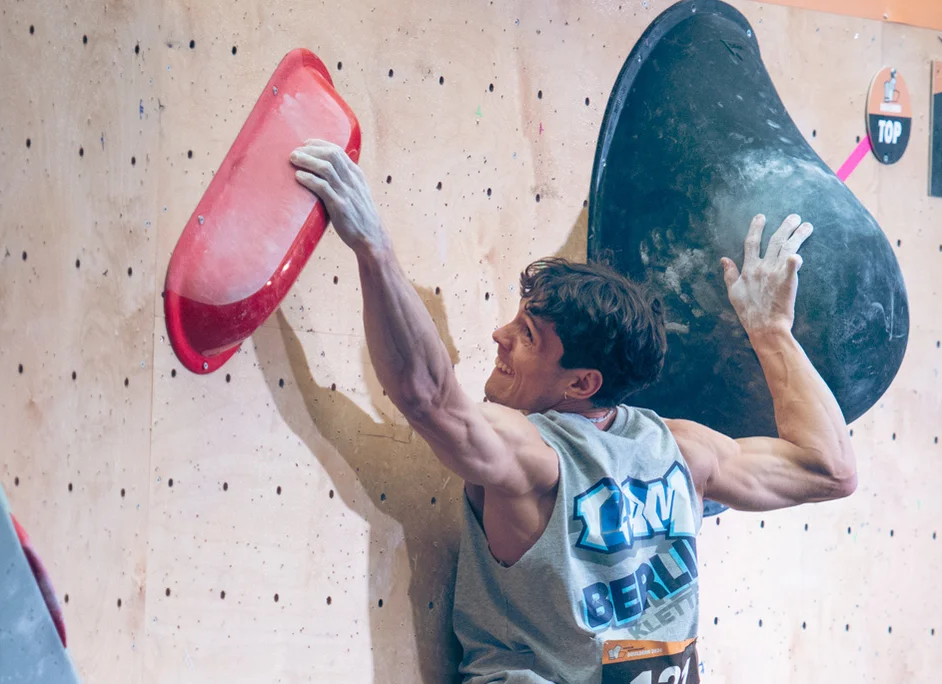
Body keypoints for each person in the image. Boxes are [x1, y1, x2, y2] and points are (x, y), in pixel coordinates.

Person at [290, 140, 856, 683]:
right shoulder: (679, 452)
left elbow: (428, 396)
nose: (499, 335)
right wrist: (771, 332)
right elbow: (824, 466)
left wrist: (374, 249)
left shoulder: (551, 456)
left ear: (583, 382)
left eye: (527, 335)